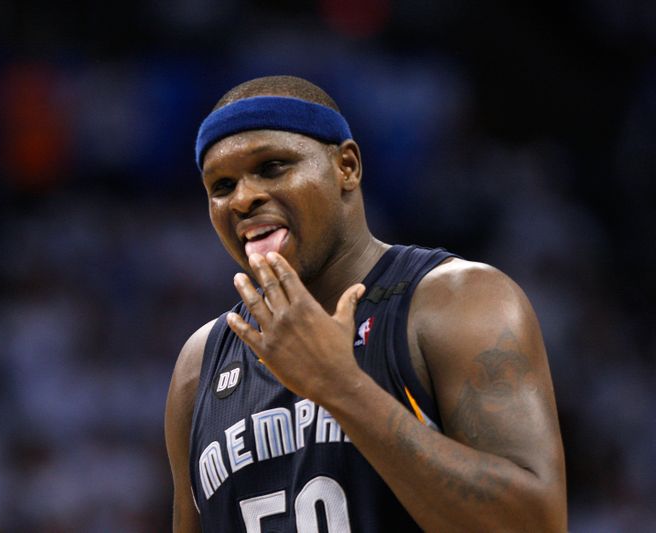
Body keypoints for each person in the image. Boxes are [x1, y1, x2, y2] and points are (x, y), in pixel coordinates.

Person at [165, 75, 567, 532]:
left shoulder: (456, 302)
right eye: (221, 186)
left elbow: (535, 523)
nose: (243, 198)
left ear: (347, 167)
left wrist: (340, 387)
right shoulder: (200, 365)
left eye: (273, 166)